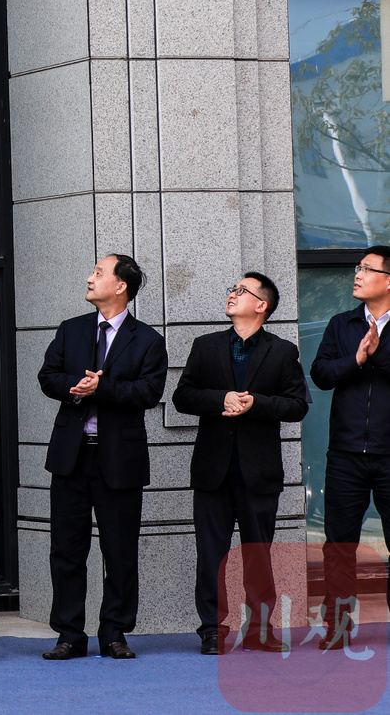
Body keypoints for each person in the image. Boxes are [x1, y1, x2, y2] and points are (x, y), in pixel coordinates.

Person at [38, 253, 167, 661]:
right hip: (71, 457)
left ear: (121, 286)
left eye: (98, 273)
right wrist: (75, 387)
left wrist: (103, 388)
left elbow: (149, 392)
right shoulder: (71, 329)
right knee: (66, 549)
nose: (89, 278)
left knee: (120, 550)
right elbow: (47, 376)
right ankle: (69, 634)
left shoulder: (148, 339)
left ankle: (114, 632)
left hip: (120, 458)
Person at [171, 272, 307, 655]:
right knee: (211, 556)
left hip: (259, 472)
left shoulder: (282, 351)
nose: (232, 294)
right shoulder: (205, 346)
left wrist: (255, 403)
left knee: (258, 556)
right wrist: (221, 399)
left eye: (241, 291)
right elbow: (183, 396)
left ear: (261, 305)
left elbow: (297, 405)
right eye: (232, 288)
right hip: (212, 470)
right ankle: (213, 630)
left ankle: (260, 630)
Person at [310, 245, 390, 648]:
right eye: (357, 267)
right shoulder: (342, 324)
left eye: (367, 269)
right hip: (345, 454)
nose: (357, 274)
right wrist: (355, 360)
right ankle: (337, 625)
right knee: (339, 546)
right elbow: (320, 373)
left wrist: (376, 356)